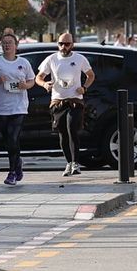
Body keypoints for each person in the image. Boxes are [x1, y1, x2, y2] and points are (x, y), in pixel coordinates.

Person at [36, 32, 95, 177]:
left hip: (75, 100)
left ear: (72, 44)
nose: (63, 47)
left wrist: (84, 88)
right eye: (61, 44)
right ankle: (68, 163)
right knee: (62, 132)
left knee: (72, 128)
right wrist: (45, 84)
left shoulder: (79, 59)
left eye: (67, 44)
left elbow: (91, 75)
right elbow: (39, 77)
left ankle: (76, 163)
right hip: (58, 101)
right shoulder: (52, 59)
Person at [0, 32, 35, 186]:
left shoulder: (24, 63)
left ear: (16, 46)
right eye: (4, 43)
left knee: (13, 138)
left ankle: (11, 172)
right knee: (8, 141)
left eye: (10, 43)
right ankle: (17, 163)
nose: (7, 45)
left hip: (19, 106)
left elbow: (32, 80)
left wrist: (25, 86)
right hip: (2, 107)